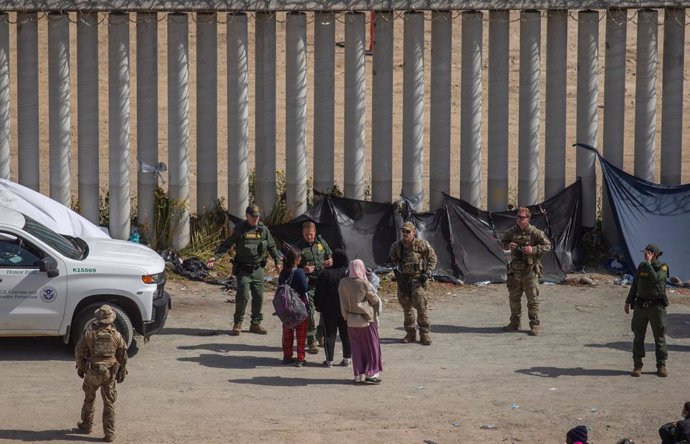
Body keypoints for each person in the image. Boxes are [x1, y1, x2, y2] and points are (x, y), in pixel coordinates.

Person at [207, 204, 283, 336]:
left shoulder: (263, 230)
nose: (255, 219)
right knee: (243, 296)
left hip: (258, 269)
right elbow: (226, 244)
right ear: (247, 216)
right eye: (253, 217)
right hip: (243, 269)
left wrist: (277, 262)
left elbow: (272, 247)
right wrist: (215, 257)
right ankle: (238, 323)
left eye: (257, 217)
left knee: (259, 296)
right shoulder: (239, 229)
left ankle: (255, 324)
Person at [74, 305, 128, 442]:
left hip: (92, 371)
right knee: (109, 403)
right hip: (110, 373)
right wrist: (122, 369)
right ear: (111, 320)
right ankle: (109, 434)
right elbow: (123, 355)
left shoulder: (88, 333)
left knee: (89, 399)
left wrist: (80, 368)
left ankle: (86, 425)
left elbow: (79, 352)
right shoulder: (116, 335)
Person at [500, 207, 551, 336]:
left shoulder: (535, 232)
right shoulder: (511, 232)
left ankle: (534, 324)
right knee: (514, 298)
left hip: (530, 271)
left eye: (522, 217)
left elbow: (548, 246)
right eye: (518, 217)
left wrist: (532, 249)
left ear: (528, 219)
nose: (519, 219)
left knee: (532, 299)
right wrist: (508, 245)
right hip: (515, 271)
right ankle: (514, 323)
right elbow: (502, 242)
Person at [388, 221, 437, 345]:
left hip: (418, 280)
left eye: (408, 232)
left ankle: (424, 333)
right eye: (403, 231)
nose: (405, 234)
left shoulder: (421, 245)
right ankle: (410, 333)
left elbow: (433, 258)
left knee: (421, 307)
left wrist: (428, 272)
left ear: (413, 232)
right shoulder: (397, 246)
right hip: (403, 280)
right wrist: (393, 266)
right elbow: (391, 259)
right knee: (407, 308)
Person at [624, 243, 669, 377]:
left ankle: (661, 365)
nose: (645, 255)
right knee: (638, 336)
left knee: (659, 337)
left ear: (654, 254)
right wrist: (628, 301)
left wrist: (649, 264)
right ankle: (637, 366)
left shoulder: (662, 267)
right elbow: (635, 285)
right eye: (645, 252)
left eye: (648, 253)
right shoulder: (641, 266)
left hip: (657, 308)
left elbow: (655, 278)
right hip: (641, 307)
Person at [338, 259, 383, 385]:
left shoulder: (343, 282)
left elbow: (342, 302)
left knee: (356, 349)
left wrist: (345, 316)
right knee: (372, 347)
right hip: (366, 320)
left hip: (351, 320)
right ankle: (371, 373)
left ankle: (357, 375)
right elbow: (374, 300)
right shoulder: (363, 283)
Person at [295, 220, 333, 354]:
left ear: (315, 232)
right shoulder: (299, 247)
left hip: (323, 282)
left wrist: (330, 262)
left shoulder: (322, 243)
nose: (309, 237)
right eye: (306, 235)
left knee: (325, 310)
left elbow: (330, 256)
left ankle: (320, 334)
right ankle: (311, 340)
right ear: (302, 233)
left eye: (311, 234)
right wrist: (303, 269)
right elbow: (293, 266)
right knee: (310, 311)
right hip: (309, 283)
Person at [314, 248, 352, 367]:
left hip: (329, 310)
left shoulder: (325, 274)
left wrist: (319, 307)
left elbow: (318, 293)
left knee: (329, 335)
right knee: (345, 334)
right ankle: (347, 359)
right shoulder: (349, 273)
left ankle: (329, 360)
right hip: (346, 309)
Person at [278, 247, 310, 367]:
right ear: (296, 259)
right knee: (301, 333)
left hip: (286, 305)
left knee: (288, 331)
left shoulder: (283, 272)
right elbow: (304, 288)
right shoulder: (299, 272)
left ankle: (287, 356)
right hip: (299, 305)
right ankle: (300, 358)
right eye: (300, 257)